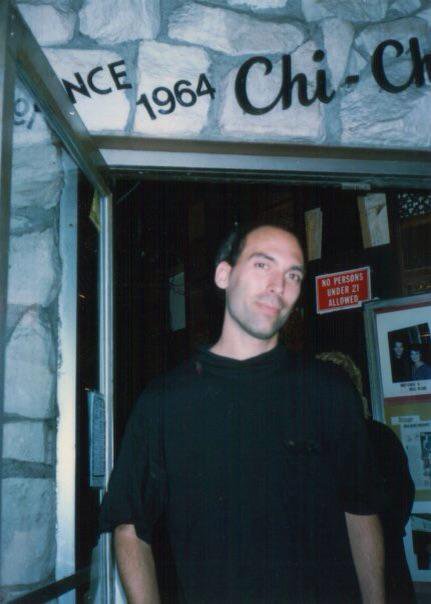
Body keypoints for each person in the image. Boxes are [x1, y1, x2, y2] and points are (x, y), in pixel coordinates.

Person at [99, 222, 385, 603]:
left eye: (293, 275)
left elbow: (361, 512)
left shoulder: (328, 390)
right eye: (263, 265)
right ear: (224, 275)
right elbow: (130, 527)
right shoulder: (165, 401)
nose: (278, 285)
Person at [317, 351, 416, 604]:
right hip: (383, 572)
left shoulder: (374, 438)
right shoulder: (378, 435)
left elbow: (395, 504)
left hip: (377, 574)